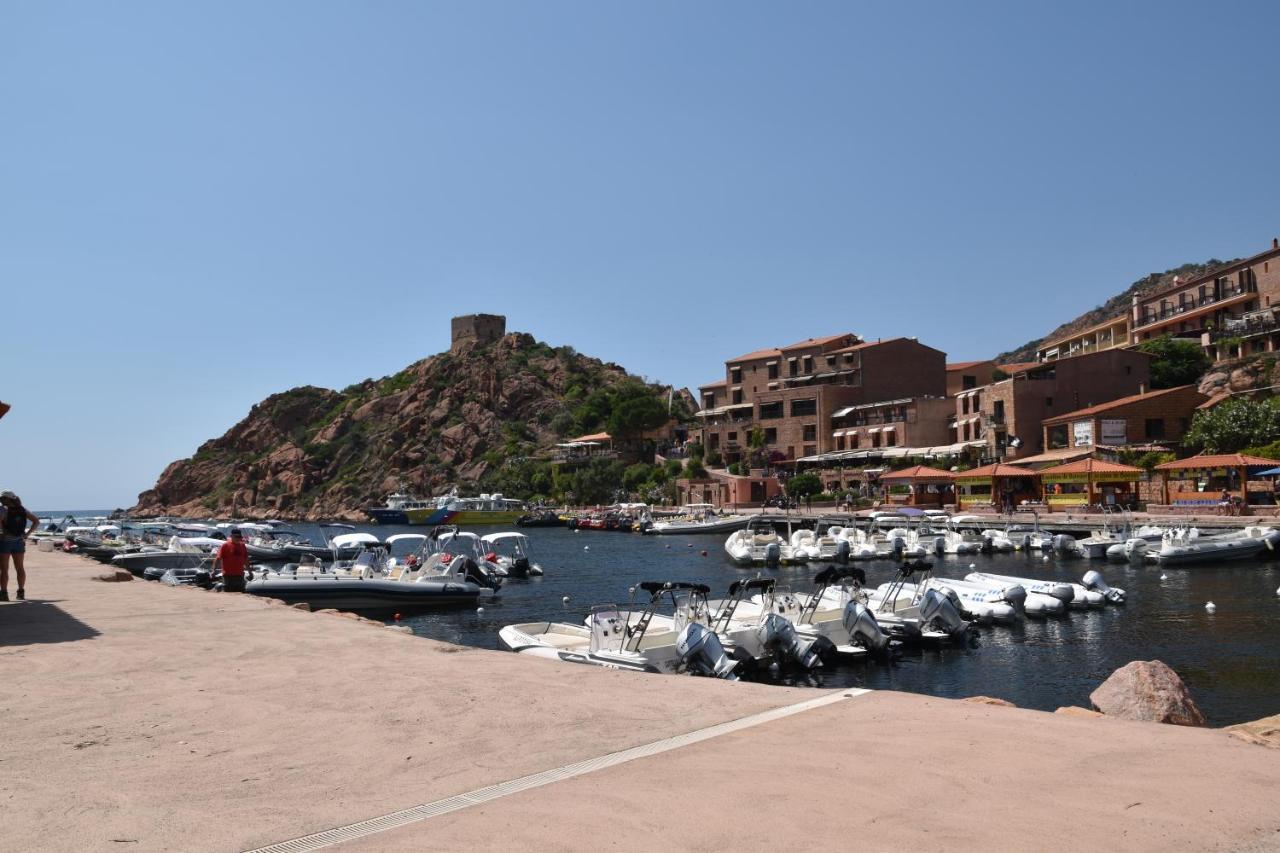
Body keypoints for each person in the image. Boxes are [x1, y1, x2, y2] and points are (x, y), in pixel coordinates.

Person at [0, 490, 40, 601]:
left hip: (5, 542)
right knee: (20, 568)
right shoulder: (22, 509)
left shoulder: (3, 510)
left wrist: (2, 533)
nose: (1, 501)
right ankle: (21, 592)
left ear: (8, 499)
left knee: (4, 569)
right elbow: (36, 521)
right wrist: (27, 535)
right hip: (19, 541)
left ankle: (4, 594)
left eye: (2, 498)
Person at [212, 528, 249, 592]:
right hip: (228, 576)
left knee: (240, 593)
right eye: (236, 537)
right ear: (231, 536)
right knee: (228, 594)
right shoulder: (225, 545)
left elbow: (245, 559)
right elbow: (218, 558)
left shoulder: (243, 546)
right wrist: (213, 570)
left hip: (240, 575)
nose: (238, 538)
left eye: (239, 537)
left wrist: (250, 571)